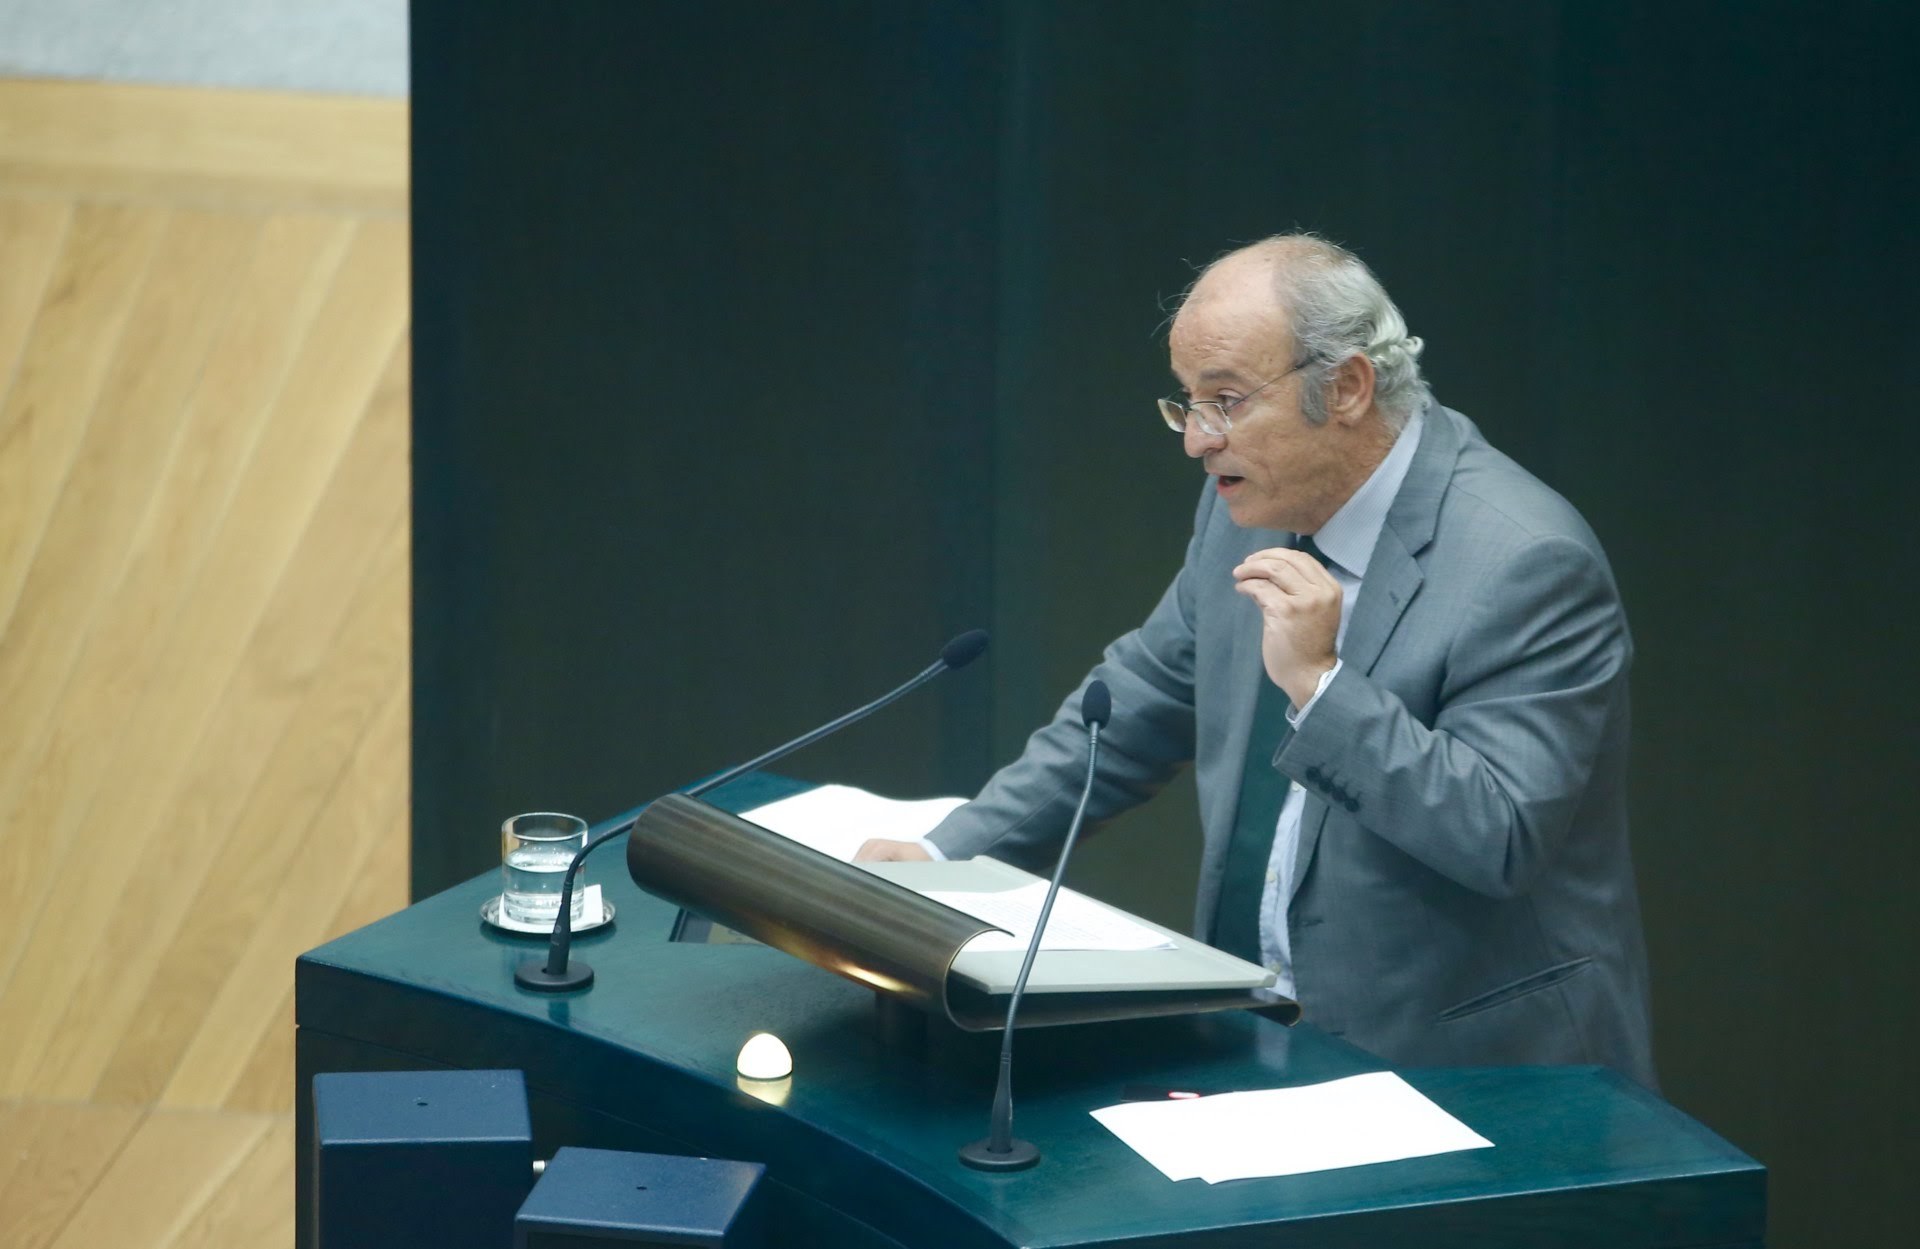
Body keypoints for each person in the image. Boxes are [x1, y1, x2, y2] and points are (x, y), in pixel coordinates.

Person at [858, 235, 1654, 1088]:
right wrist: (949, 856)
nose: (1198, 441)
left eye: (1227, 401)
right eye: (1188, 403)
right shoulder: (1251, 505)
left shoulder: (1525, 560)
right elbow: (1135, 702)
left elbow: (1503, 834)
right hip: (1258, 1034)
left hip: (1475, 1069)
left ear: (1346, 387)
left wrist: (1322, 687)